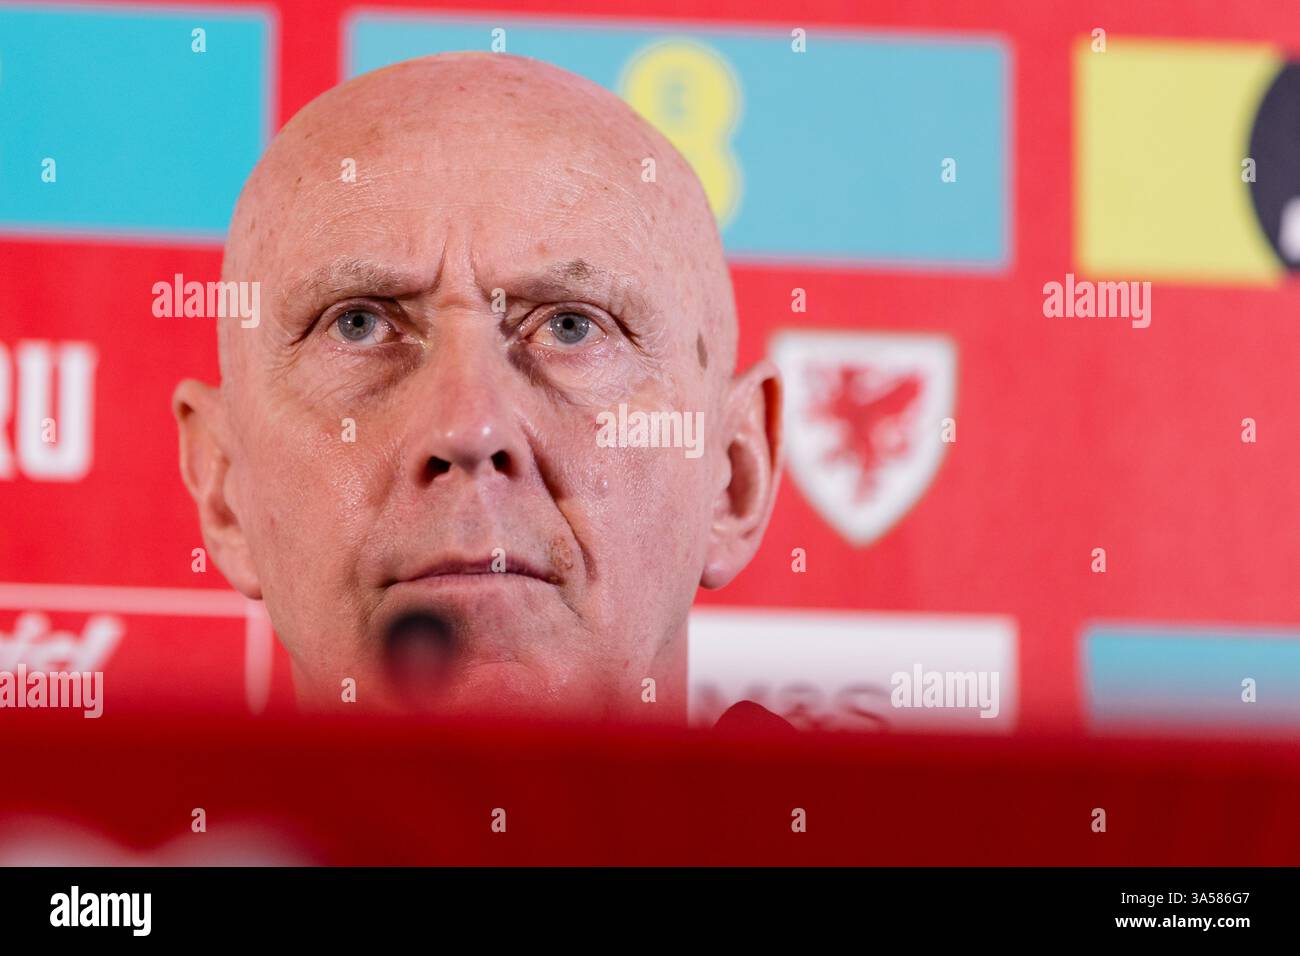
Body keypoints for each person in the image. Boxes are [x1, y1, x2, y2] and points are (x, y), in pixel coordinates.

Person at [172, 52, 785, 727]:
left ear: (734, 477)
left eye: (572, 326)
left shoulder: (874, 836)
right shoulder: (71, 837)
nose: (470, 429)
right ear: (225, 488)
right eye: (359, 325)